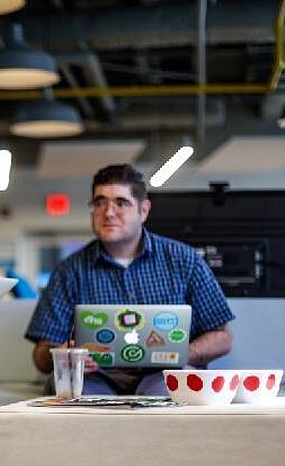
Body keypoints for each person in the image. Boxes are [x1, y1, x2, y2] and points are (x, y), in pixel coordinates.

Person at [25, 163, 235, 395]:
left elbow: (222, 337)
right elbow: (41, 355)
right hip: (96, 377)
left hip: (163, 374)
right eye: (99, 202)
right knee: (72, 390)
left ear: (143, 210)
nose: (109, 212)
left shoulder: (184, 260)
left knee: (168, 393)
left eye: (121, 202)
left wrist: (181, 353)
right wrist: (64, 356)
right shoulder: (69, 270)